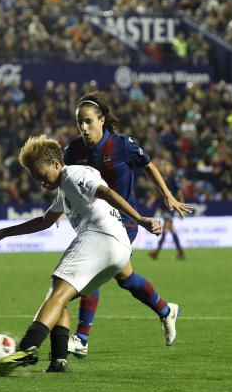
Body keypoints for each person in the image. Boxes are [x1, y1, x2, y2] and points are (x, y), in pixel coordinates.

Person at [0, 135, 175, 376]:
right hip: (118, 251)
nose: (41, 183)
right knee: (61, 299)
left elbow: (107, 193)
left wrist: (141, 219)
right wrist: (3, 233)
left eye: (41, 176)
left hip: (100, 236)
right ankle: (59, 361)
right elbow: (44, 221)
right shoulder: (65, 188)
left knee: (56, 292)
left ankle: (28, 347)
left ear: (55, 163)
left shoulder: (74, 175)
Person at [63, 92, 192, 358]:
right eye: (80, 123)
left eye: (88, 121)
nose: (84, 128)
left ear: (102, 120)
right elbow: (64, 181)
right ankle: (167, 311)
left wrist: (167, 196)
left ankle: (82, 338)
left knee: (92, 268)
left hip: (125, 221)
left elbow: (149, 165)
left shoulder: (121, 145)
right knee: (127, 279)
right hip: (94, 220)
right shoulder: (75, 150)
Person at [148, 156, 187, 260]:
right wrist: (151, 201)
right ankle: (181, 252)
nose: (163, 167)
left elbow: (179, 192)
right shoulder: (162, 177)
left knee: (165, 228)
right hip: (164, 206)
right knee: (171, 229)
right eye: (162, 165)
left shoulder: (173, 177)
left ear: (170, 166)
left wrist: (181, 205)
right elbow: (158, 193)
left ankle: (157, 252)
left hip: (171, 206)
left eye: (165, 165)